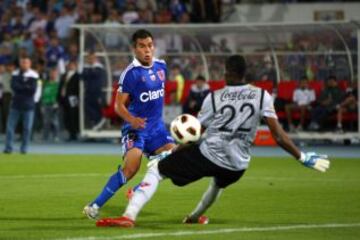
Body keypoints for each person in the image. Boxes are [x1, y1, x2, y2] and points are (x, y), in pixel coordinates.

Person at [95, 55, 330, 228]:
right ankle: (195, 217)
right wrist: (303, 157)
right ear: (245, 73)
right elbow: (278, 135)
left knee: (157, 170)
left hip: (209, 155)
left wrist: (172, 152)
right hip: (238, 165)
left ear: (227, 72)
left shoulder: (215, 97)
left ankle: (129, 216)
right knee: (218, 183)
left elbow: (195, 133)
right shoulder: (262, 96)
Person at [83, 29, 176, 219]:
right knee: (130, 170)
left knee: (175, 159)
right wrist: (132, 120)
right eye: (142, 46)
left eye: (149, 45)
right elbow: (118, 106)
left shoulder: (161, 66)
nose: (147, 50)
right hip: (136, 130)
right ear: (134, 49)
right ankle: (93, 206)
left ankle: (137, 190)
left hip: (157, 129)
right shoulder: (130, 74)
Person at [3, 56, 39, 154]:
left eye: (26, 62)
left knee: (27, 128)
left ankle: (24, 148)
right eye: (22, 62)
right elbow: (14, 87)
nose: (24, 64)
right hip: (16, 104)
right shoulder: (15, 73)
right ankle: (8, 148)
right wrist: (25, 87)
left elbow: (32, 90)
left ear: (30, 64)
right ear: (20, 64)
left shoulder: (34, 75)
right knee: (10, 127)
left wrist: (22, 88)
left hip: (28, 105)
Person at [58, 60, 80, 141]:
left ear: (76, 66)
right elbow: (60, 87)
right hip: (64, 98)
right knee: (66, 116)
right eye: (70, 65)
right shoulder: (64, 75)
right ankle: (69, 132)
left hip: (73, 98)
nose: (71, 66)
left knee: (73, 116)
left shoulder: (78, 76)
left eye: (72, 65)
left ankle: (73, 133)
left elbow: (78, 89)